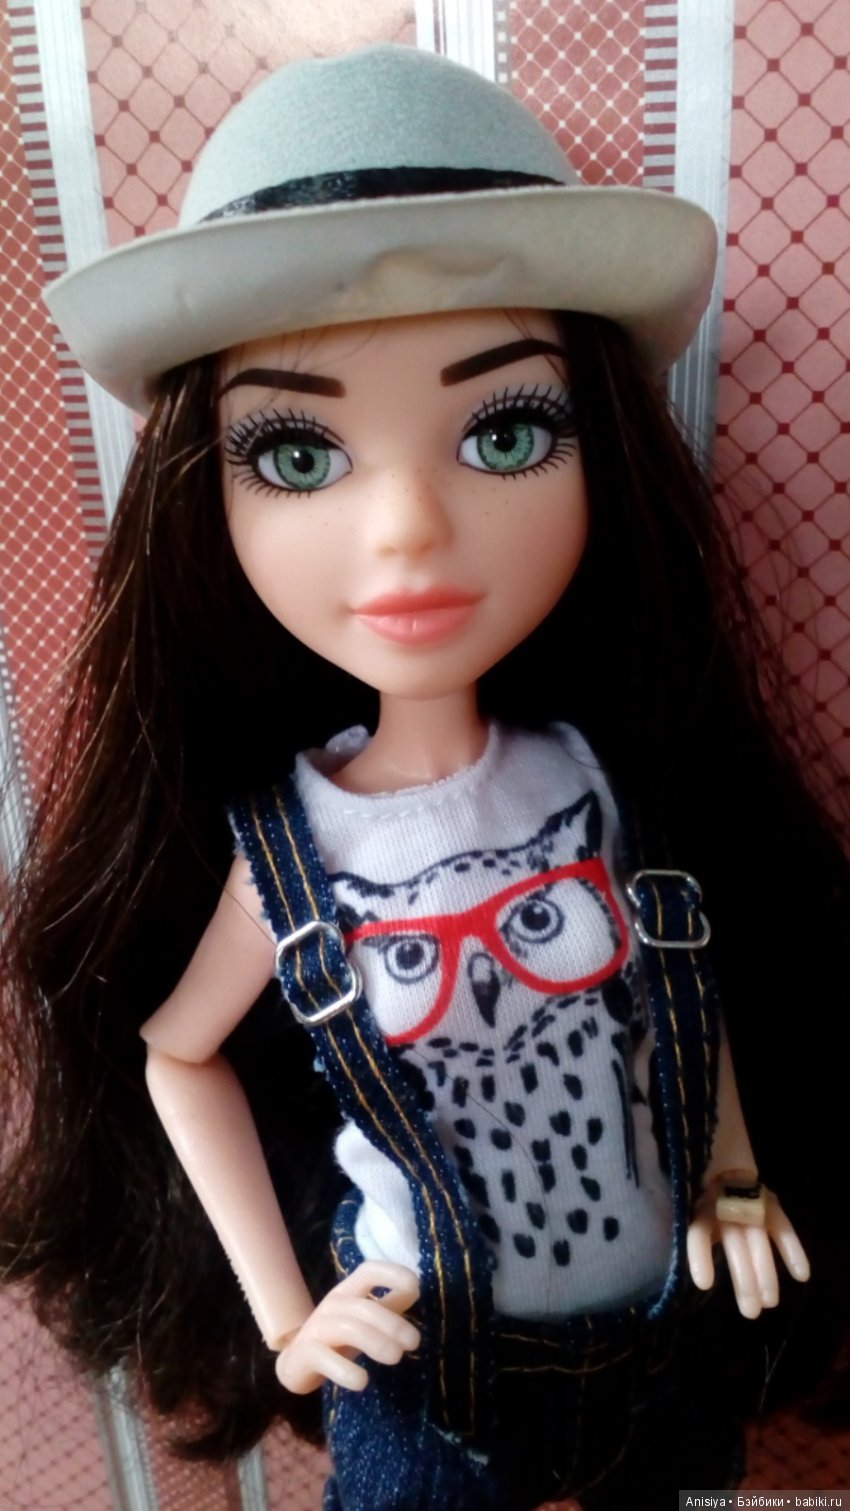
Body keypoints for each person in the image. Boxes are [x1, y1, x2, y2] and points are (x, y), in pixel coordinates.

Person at [1, 43, 847, 1510]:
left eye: (505, 432)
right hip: (423, 1378)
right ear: (206, 496)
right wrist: (288, 1322)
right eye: (298, 453)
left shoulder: (593, 783)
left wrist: (728, 1171)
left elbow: (678, 986)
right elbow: (176, 1052)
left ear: (603, 453)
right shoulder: (293, 848)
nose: (406, 528)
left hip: (664, 1344)